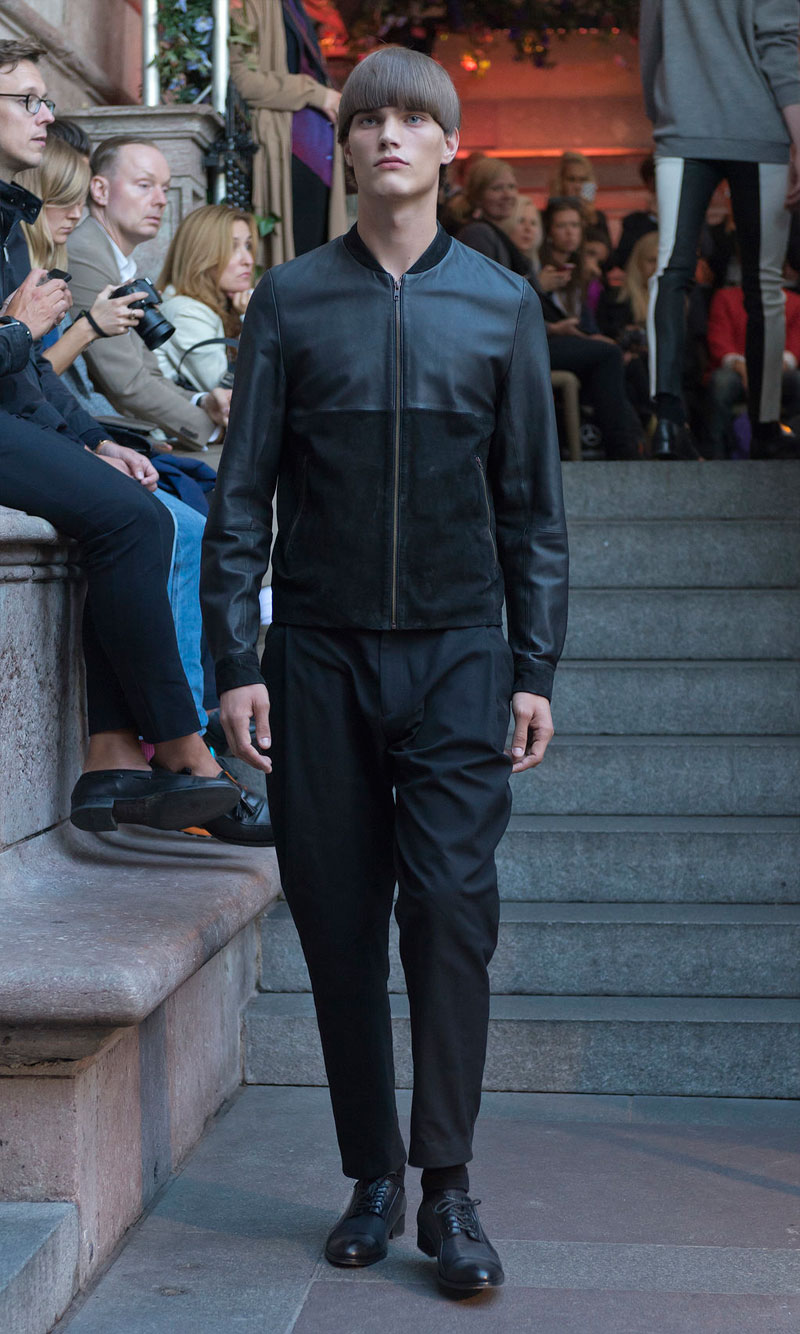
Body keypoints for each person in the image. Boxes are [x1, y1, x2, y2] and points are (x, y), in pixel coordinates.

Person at [201, 45, 568, 1294]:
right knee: (339, 919)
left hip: (460, 655)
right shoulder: (290, 301)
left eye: (416, 119)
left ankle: (448, 1186)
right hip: (315, 654)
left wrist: (533, 663)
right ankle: (370, 1172)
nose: (392, 135)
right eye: (371, 119)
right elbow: (240, 497)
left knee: (451, 913)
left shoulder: (500, 305)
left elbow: (531, 508)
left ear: (449, 147)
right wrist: (235, 659)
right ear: (346, 146)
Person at [0, 39, 242, 834]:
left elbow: (28, 375)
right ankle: (180, 750)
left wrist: (95, 442)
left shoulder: (8, 221)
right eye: (27, 100)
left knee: (139, 507)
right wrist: (19, 331)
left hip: (17, 416)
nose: (46, 115)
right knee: (138, 519)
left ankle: (112, 756)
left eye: (45, 99)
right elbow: (21, 354)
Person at [640, 0, 800, 459]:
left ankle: (667, 422)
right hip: (760, 129)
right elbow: (778, 43)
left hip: (683, 125)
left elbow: (651, 37)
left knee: (671, 271)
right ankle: (765, 426)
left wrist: (662, 110)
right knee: (763, 284)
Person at [66, 137, 231, 452]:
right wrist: (211, 429)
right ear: (100, 190)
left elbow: (147, 373)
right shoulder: (86, 254)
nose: (161, 200)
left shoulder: (112, 257)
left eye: (165, 189)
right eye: (144, 185)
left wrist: (203, 401)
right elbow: (126, 383)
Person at [16, 135, 148, 371]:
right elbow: (25, 379)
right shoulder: (15, 272)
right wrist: (90, 326)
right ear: (36, 197)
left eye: (80, 202)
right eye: (65, 200)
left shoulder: (50, 268)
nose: (76, 214)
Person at [229, 0, 347, 264]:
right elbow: (241, 80)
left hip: (317, 155)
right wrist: (316, 94)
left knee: (320, 267)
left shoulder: (296, 7)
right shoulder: (252, 4)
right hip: (291, 152)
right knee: (301, 267)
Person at [154, 203, 258, 393]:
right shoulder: (187, 313)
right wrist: (253, 319)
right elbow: (236, 393)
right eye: (232, 248)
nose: (248, 260)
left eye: (248, 246)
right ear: (201, 255)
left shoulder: (218, 305)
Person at [705, 278, 800, 456]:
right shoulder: (725, 297)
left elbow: (795, 346)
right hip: (736, 369)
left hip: (778, 369)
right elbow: (719, 340)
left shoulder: (794, 302)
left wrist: (770, 371)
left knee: (797, 381)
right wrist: (744, 368)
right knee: (721, 382)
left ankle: (793, 451)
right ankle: (716, 454)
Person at [550, 150, 611, 247]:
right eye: (571, 180)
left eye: (583, 180)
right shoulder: (548, 217)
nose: (578, 187)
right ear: (560, 182)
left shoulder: (598, 218)